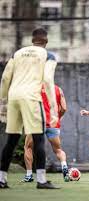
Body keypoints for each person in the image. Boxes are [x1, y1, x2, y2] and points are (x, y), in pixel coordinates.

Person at [0, 28, 59, 189]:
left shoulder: (17, 53)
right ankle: (41, 180)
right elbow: (47, 80)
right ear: (46, 41)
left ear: (32, 41)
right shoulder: (49, 55)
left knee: (11, 140)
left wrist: (2, 102)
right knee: (38, 139)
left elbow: (5, 78)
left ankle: (1, 179)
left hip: (13, 97)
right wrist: (53, 108)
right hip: (32, 98)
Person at [21, 84, 69, 182]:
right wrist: (58, 118)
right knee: (58, 150)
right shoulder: (58, 89)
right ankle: (64, 165)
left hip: (38, 123)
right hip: (53, 124)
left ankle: (29, 175)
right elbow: (64, 108)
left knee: (28, 147)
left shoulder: (34, 87)